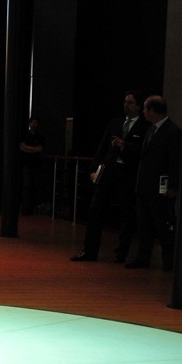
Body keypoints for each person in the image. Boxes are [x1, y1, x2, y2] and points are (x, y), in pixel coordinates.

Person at [71, 91, 149, 263]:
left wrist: (124, 146)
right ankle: (89, 251)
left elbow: (143, 151)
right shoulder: (115, 123)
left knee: (126, 214)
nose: (126, 105)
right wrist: (93, 169)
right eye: (125, 101)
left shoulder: (145, 127)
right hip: (108, 172)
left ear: (138, 106)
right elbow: (102, 147)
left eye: (130, 102)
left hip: (127, 175)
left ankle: (121, 254)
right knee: (95, 210)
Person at [126, 95, 181, 270]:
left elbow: (175, 161)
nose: (143, 112)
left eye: (145, 109)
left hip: (159, 187)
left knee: (162, 224)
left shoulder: (172, 131)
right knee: (144, 225)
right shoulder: (151, 129)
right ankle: (143, 258)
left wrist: (173, 186)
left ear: (152, 111)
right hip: (145, 186)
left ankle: (169, 261)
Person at [19, 115, 45, 215]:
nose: (34, 124)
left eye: (36, 122)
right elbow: (22, 147)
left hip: (36, 165)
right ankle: (25, 207)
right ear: (29, 123)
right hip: (26, 164)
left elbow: (40, 149)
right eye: (33, 122)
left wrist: (28, 148)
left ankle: (32, 207)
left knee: (35, 186)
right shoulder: (25, 135)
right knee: (26, 186)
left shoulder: (39, 136)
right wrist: (34, 149)